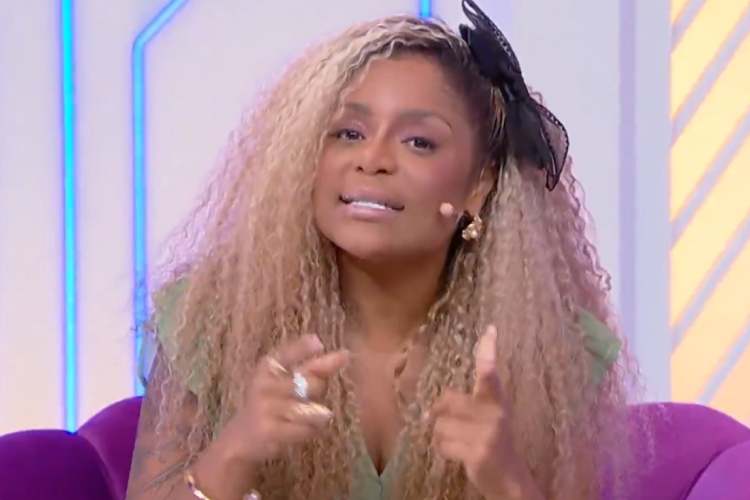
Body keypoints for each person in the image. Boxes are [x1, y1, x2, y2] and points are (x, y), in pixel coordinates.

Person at [126, 1, 634, 499]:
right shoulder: (209, 320)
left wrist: (508, 481)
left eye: (418, 142)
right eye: (349, 133)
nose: (372, 159)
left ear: (478, 186)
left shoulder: (554, 350)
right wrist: (237, 451)